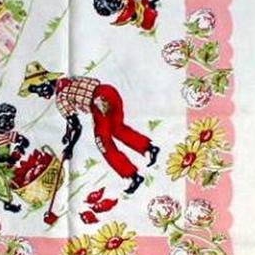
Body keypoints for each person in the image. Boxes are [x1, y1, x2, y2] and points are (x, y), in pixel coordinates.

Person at [18, 62, 160, 194]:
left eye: (38, 89)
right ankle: (149, 148)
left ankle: (133, 176)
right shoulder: (70, 80)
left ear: (46, 81)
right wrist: (68, 133)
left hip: (98, 102)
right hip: (109, 91)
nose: (40, 95)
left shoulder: (60, 99)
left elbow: (77, 126)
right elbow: (73, 117)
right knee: (117, 128)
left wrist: (70, 147)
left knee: (103, 142)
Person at [0, 103, 29, 213]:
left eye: (11, 120)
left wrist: (20, 147)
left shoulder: (9, 135)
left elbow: (25, 141)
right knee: (1, 183)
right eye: (4, 120)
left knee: (18, 176)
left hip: (5, 164)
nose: (8, 123)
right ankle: (7, 203)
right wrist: (8, 159)